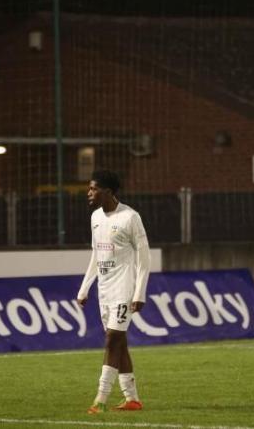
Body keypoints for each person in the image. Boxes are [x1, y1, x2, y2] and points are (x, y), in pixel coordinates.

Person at [77, 170, 150, 414]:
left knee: (111, 340)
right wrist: (85, 287)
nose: (89, 193)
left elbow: (144, 258)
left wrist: (139, 293)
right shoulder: (95, 217)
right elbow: (96, 254)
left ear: (107, 191)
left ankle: (100, 399)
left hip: (124, 290)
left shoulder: (130, 217)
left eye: (93, 188)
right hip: (105, 291)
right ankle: (132, 399)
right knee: (119, 343)